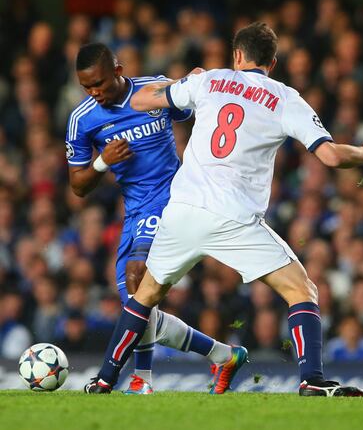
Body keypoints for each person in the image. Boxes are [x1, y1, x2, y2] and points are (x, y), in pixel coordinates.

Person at [85, 23, 363, 396]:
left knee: (144, 296)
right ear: (272, 62)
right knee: (301, 290)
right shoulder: (285, 97)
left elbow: (142, 100)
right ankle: (311, 379)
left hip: (183, 211)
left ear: (238, 56)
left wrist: (183, 83)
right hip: (233, 217)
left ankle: (103, 378)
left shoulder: (210, 80)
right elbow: (329, 155)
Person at [66, 43, 240, 394]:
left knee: (137, 278)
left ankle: (140, 379)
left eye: (99, 83)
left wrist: (193, 83)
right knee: (135, 305)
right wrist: (103, 162)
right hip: (136, 209)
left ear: (117, 68)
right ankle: (224, 354)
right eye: (87, 87)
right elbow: (78, 186)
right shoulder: (82, 119)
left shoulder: (153, 90)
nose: (94, 92)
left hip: (173, 197)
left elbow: (190, 107)